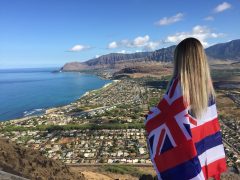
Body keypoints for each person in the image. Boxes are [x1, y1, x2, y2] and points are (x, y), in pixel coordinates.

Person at [144, 37, 227, 180]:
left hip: (186, 152)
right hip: (202, 148)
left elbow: (162, 119)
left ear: (180, 60)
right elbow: (210, 126)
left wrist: (150, 117)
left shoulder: (178, 87)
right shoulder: (207, 87)